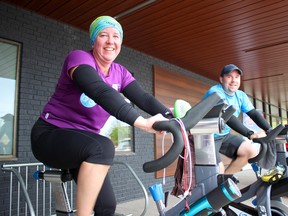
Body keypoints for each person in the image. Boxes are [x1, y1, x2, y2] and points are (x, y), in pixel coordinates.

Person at [30, 16, 172, 216]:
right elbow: (100, 91)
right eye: (103, 35)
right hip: (50, 135)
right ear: (93, 41)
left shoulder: (120, 72)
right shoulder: (79, 58)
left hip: (84, 146)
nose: (110, 41)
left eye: (116, 36)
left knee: (106, 207)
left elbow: (145, 99)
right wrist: (142, 123)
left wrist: (172, 119)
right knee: (103, 146)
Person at [202, 64, 272, 174]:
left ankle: (224, 179)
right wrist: (249, 133)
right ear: (221, 79)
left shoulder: (240, 95)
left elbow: (253, 113)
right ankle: (219, 180)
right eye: (229, 76)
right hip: (206, 136)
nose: (234, 80)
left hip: (223, 135)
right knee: (217, 170)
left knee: (250, 151)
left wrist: (269, 130)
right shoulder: (215, 92)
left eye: (237, 77)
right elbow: (228, 116)